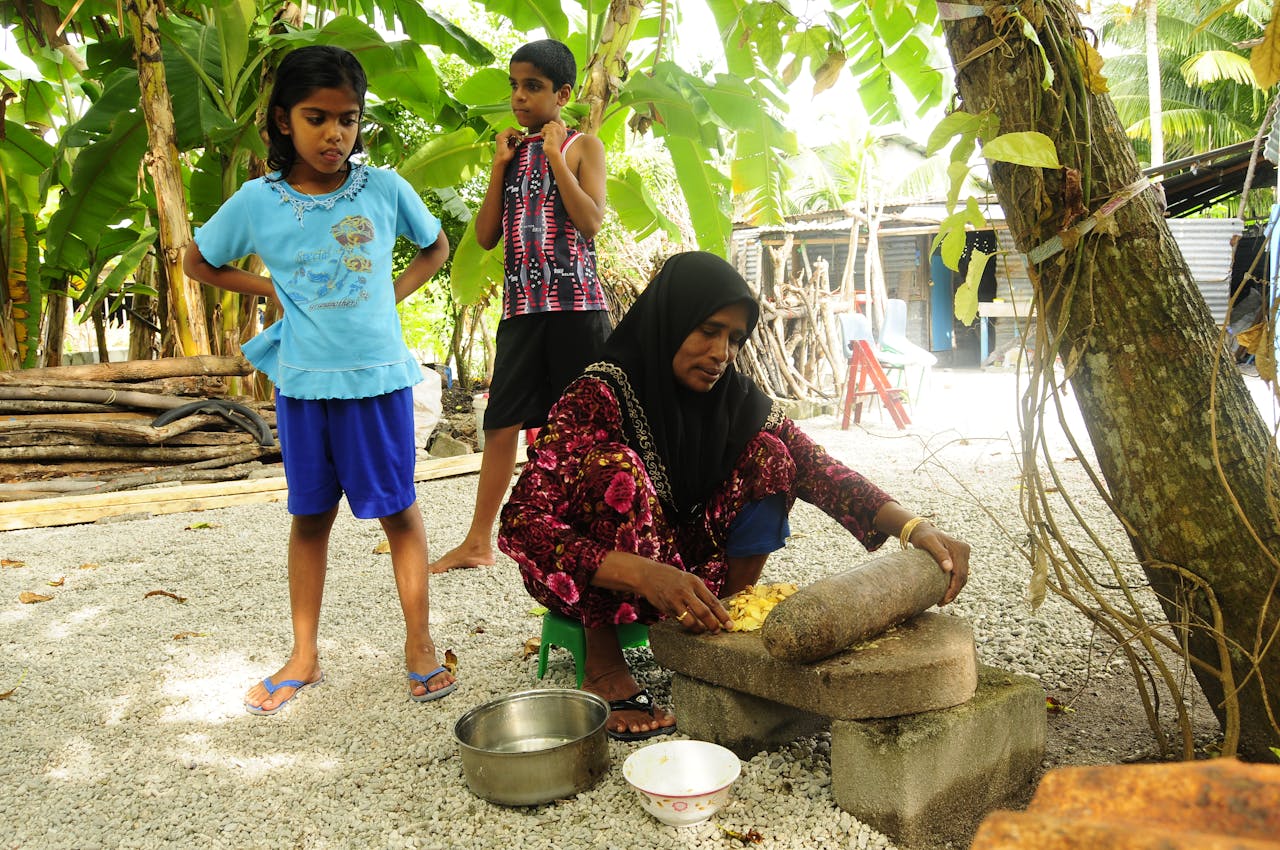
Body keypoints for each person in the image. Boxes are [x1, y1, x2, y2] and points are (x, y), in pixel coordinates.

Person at [497, 252, 970, 740]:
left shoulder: (735, 398)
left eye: (734, 338)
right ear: (671, 319)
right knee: (613, 471)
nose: (722, 351)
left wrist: (915, 527)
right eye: (708, 330)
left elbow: (816, 466)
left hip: (685, 579)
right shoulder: (597, 393)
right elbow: (521, 522)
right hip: (589, 577)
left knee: (773, 454)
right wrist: (643, 573)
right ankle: (603, 663)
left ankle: (726, 618)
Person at [183, 45, 455, 714]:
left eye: (349, 119)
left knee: (398, 510)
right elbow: (199, 261)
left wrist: (387, 297)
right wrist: (270, 290)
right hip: (303, 386)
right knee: (309, 518)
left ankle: (419, 643)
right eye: (317, 118)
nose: (335, 134)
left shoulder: (384, 189)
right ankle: (303, 655)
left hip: (379, 382)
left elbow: (436, 247)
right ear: (283, 121)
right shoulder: (258, 202)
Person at [429, 38, 611, 574]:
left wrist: (556, 157)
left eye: (532, 86)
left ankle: (595, 535)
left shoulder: (582, 147)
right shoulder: (509, 153)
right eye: (514, 85)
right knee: (501, 422)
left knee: (587, 426)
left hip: (577, 310)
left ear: (563, 93)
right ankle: (479, 541)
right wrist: (497, 168)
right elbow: (486, 237)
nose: (519, 97)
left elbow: (592, 221)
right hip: (522, 311)